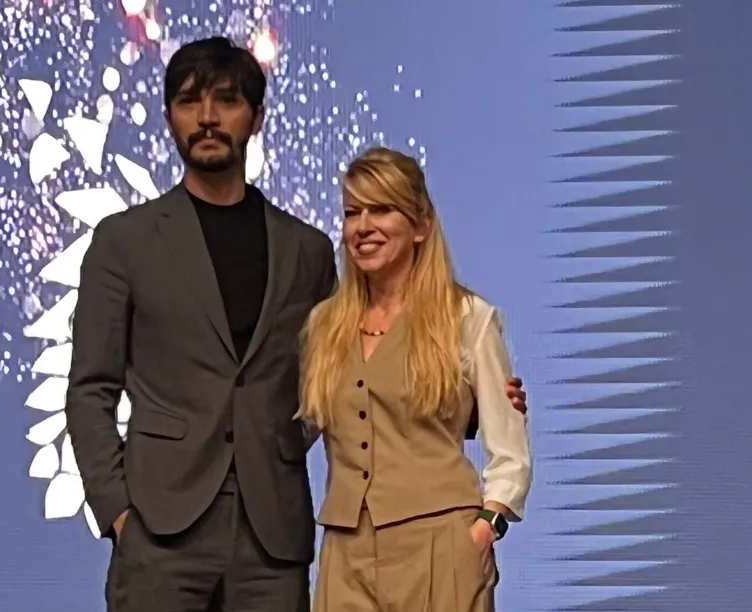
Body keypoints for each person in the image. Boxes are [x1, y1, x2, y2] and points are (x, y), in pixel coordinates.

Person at [64, 36, 528, 611]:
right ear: (168, 118)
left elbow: (351, 376)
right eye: (188, 101)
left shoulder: (305, 251)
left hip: (273, 540)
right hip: (158, 535)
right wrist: (117, 511)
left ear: (256, 117)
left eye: (226, 100)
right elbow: (90, 389)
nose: (207, 117)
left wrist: (482, 398)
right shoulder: (124, 241)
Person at [299, 146, 533, 611]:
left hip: (440, 547)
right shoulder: (325, 326)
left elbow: (509, 450)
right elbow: (297, 429)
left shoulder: (466, 317)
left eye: (382, 209)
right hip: (346, 555)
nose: (363, 226)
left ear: (421, 225)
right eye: (352, 213)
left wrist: (486, 527)